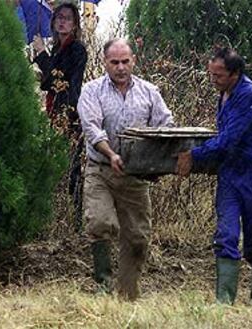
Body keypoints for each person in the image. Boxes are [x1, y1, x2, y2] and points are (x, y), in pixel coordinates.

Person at [177, 46, 252, 304]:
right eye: (210, 74)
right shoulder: (223, 94)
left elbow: (228, 140)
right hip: (231, 174)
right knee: (226, 235)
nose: (212, 80)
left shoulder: (249, 95)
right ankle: (224, 303)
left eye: (218, 75)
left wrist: (195, 156)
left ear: (235, 74)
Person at [77, 38, 174, 301]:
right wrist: (111, 154)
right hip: (101, 170)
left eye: (125, 61)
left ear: (133, 61)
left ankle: (127, 294)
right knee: (100, 222)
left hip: (135, 176)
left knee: (138, 237)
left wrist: (161, 160)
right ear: (105, 62)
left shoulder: (149, 92)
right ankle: (103, 287)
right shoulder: (91, 91)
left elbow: (166, 125)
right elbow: (92, 129)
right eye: (114, 62)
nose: (120, 67)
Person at [33, 2, 87, 225]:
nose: (62, 21)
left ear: (75, 24)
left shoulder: (77, 49)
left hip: (70, 113)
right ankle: (57, 217)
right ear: (54, 22)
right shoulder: (57, 48)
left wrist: (42, 55)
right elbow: (49, 83)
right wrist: (42, 57)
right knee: (56, 165)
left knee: (73, 167)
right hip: (56, 111)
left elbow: (60, 80)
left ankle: (76, 219)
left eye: (68, 18)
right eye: (59, 18)